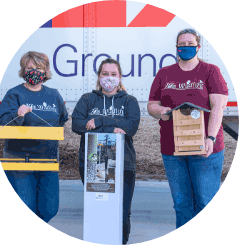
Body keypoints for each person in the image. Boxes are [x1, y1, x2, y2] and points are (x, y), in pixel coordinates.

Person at [147, 29, 228, 228]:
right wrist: (161, 111)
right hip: (173, 150)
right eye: (181, 44)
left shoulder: (210, 71)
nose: (185, 47)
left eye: (190, 44)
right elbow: (151, 106)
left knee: (205, 203)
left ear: (198, 47)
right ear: (176, 48)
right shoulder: (164, 74)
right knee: (182, 205)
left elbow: (218, 106)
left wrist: (210, 137)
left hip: (205, 149)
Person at [71, 58, 140, 244]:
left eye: (113, 74)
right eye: (105, 74)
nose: (109, 78)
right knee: (97, 208)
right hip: (93, 163)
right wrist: (115, 127)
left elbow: (131, 126)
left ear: (120, 77)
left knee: (122, 211)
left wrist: (100, 121)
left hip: (123, 165)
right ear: (99, 76)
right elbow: (77, 125)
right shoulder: (87, 99)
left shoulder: (129, 101)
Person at [0, 51, 68, 222]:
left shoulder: (54, 95)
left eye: (39, 68)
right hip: (20, 161)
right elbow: (3, 123)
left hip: (48, 160)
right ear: (23, 70)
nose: (35, 72)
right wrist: (18, 115)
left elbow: (62, 118)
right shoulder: (14, 94)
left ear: (46, 72)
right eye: (30, 68)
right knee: (25, 209)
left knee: (49, 210)